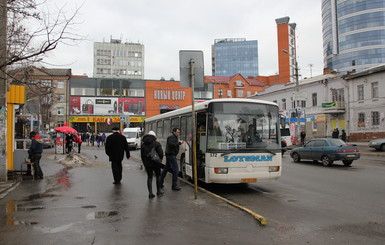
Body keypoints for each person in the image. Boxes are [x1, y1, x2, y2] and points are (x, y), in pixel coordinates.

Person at [141, 131, 164, 198]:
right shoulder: (156, 143)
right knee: (158, 176)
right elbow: (161, 153)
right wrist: (160, 160)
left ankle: (150, 193)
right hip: (156, 163)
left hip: (147, 164)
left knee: (149, 177)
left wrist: (144, 163)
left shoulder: (143, 144)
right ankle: (158, 192)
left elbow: (142, 156)